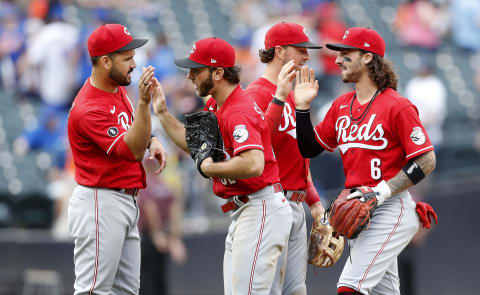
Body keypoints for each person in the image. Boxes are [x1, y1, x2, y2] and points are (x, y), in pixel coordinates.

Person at [293, 27, 436, 294]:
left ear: (368, 57)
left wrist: (380, 193)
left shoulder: (397, 106)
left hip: (390, 208)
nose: (337, 60)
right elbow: (309, 148)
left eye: (346, 54)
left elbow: (426, 160)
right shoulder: (340, 106)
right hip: (359, 212)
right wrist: (302, 109)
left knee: (349, 287)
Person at [153, 37, 292, 294]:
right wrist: (162, 114)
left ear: (218, 73)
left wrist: (209, 168)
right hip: (248, 209)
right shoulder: (216, 105)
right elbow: (198, 149)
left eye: (197, 69)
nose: (190, 76)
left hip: (260, 207)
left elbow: (253, 164)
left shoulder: (238, 110)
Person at [67, 24, 167, 295]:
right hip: (101, 203)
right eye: (127, 58)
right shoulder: (88, 108)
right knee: (93, 291)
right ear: (105, 61)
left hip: (123, 200)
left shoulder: (114, 87)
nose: (134, 64)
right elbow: (131, 151)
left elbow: (132, 129)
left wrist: (152, 140)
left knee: (126, 292)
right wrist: (145, 104)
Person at [245, 22, 325, 295]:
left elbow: (297, 152)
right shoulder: (258, 93)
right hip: (272, 203)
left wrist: (313, 200)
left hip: (296, 203)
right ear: (279, 51)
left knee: (295, 290)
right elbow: (254, 148)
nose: (306, 56)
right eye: (300, 49)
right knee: (271, 290)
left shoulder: (293, 94)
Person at [138, 158, 187, 295]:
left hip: (150, 237)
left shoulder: (145, 185)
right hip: (165, 236)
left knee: (146, 279)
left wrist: (156, 233)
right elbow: (175, 210)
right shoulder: (165, 185)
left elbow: (150, 208)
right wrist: (175, 238)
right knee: (160, 277)